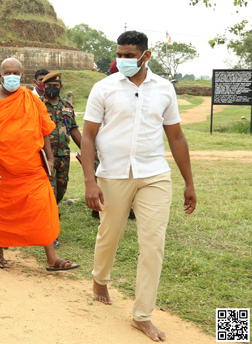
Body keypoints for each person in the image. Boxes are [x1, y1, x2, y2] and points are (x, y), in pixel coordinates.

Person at [81, 30, 196, 342]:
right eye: (120, 54)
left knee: (153, 244)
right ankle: (100, 278)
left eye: (129, 55)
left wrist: (189, 182)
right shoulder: (103, 88)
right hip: (113, 174)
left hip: (154, 173)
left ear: (146, 56)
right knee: (110, 232)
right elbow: (88, 136)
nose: (122, 60)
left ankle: (142, 315)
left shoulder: (164, 89)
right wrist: (90, 181)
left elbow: (176, 137)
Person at [0, 58, 79, 271]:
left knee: (42, 208)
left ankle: (52, 258)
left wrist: (49, 159)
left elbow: (44, 130)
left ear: (22, 76)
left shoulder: (31, 98)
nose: (11, 76)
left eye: (15, 72)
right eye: (7, 72)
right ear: (0, 75)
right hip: (3, 169)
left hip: (32, 168)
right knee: (4, 211)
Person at [42, 72, 82, 247]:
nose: (52, 88)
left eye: (55, 85)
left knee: (60, 191)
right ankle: (51, 233)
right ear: (43, 86)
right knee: (49, 194)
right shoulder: (38, 105)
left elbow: (73, 129)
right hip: (44, 157)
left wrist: (86, 150)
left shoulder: (67, 106)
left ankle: (51, 217)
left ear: (61, 87)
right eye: (48, 85)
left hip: (63, 156)